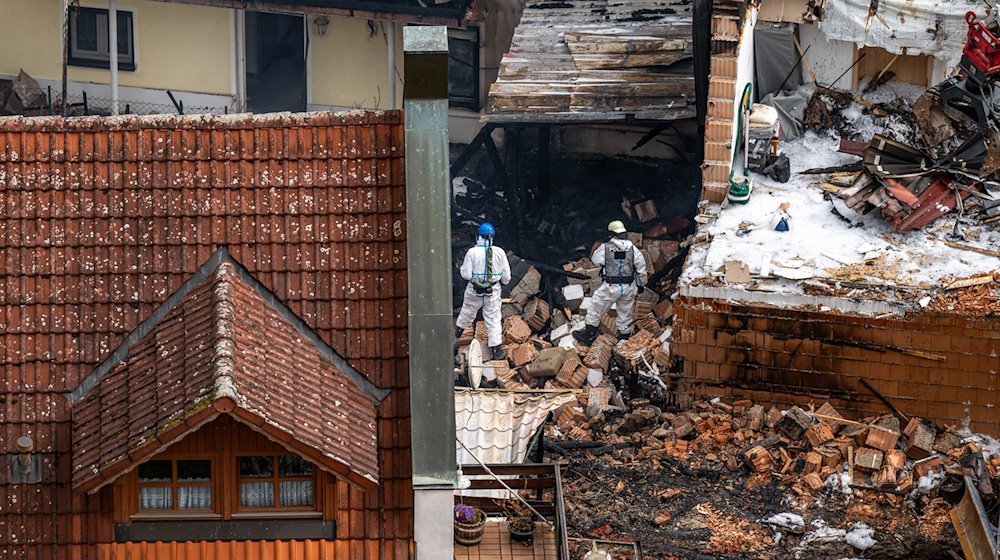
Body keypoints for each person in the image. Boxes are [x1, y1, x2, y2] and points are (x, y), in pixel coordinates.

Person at [573, 220, 648, 345]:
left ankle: (590, 334)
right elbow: (641, 269)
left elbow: (596, 261)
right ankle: (623, 339)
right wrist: (641, 284)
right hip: (628, 286)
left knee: (595, 307)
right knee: (625, 313)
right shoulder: (633, 249)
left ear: (611, 234)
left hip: (610, 286)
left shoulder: (605, 248)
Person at [455, 222, 511, 360]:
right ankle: (497, 350)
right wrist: (501, 282)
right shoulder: (500, 252)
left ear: (478, 236)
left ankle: (457, 333)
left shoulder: (472, 252)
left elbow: (466, 275)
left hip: (475, 289)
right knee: (493, 319)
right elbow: (507, 277)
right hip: (493, 289)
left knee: (467, 312)